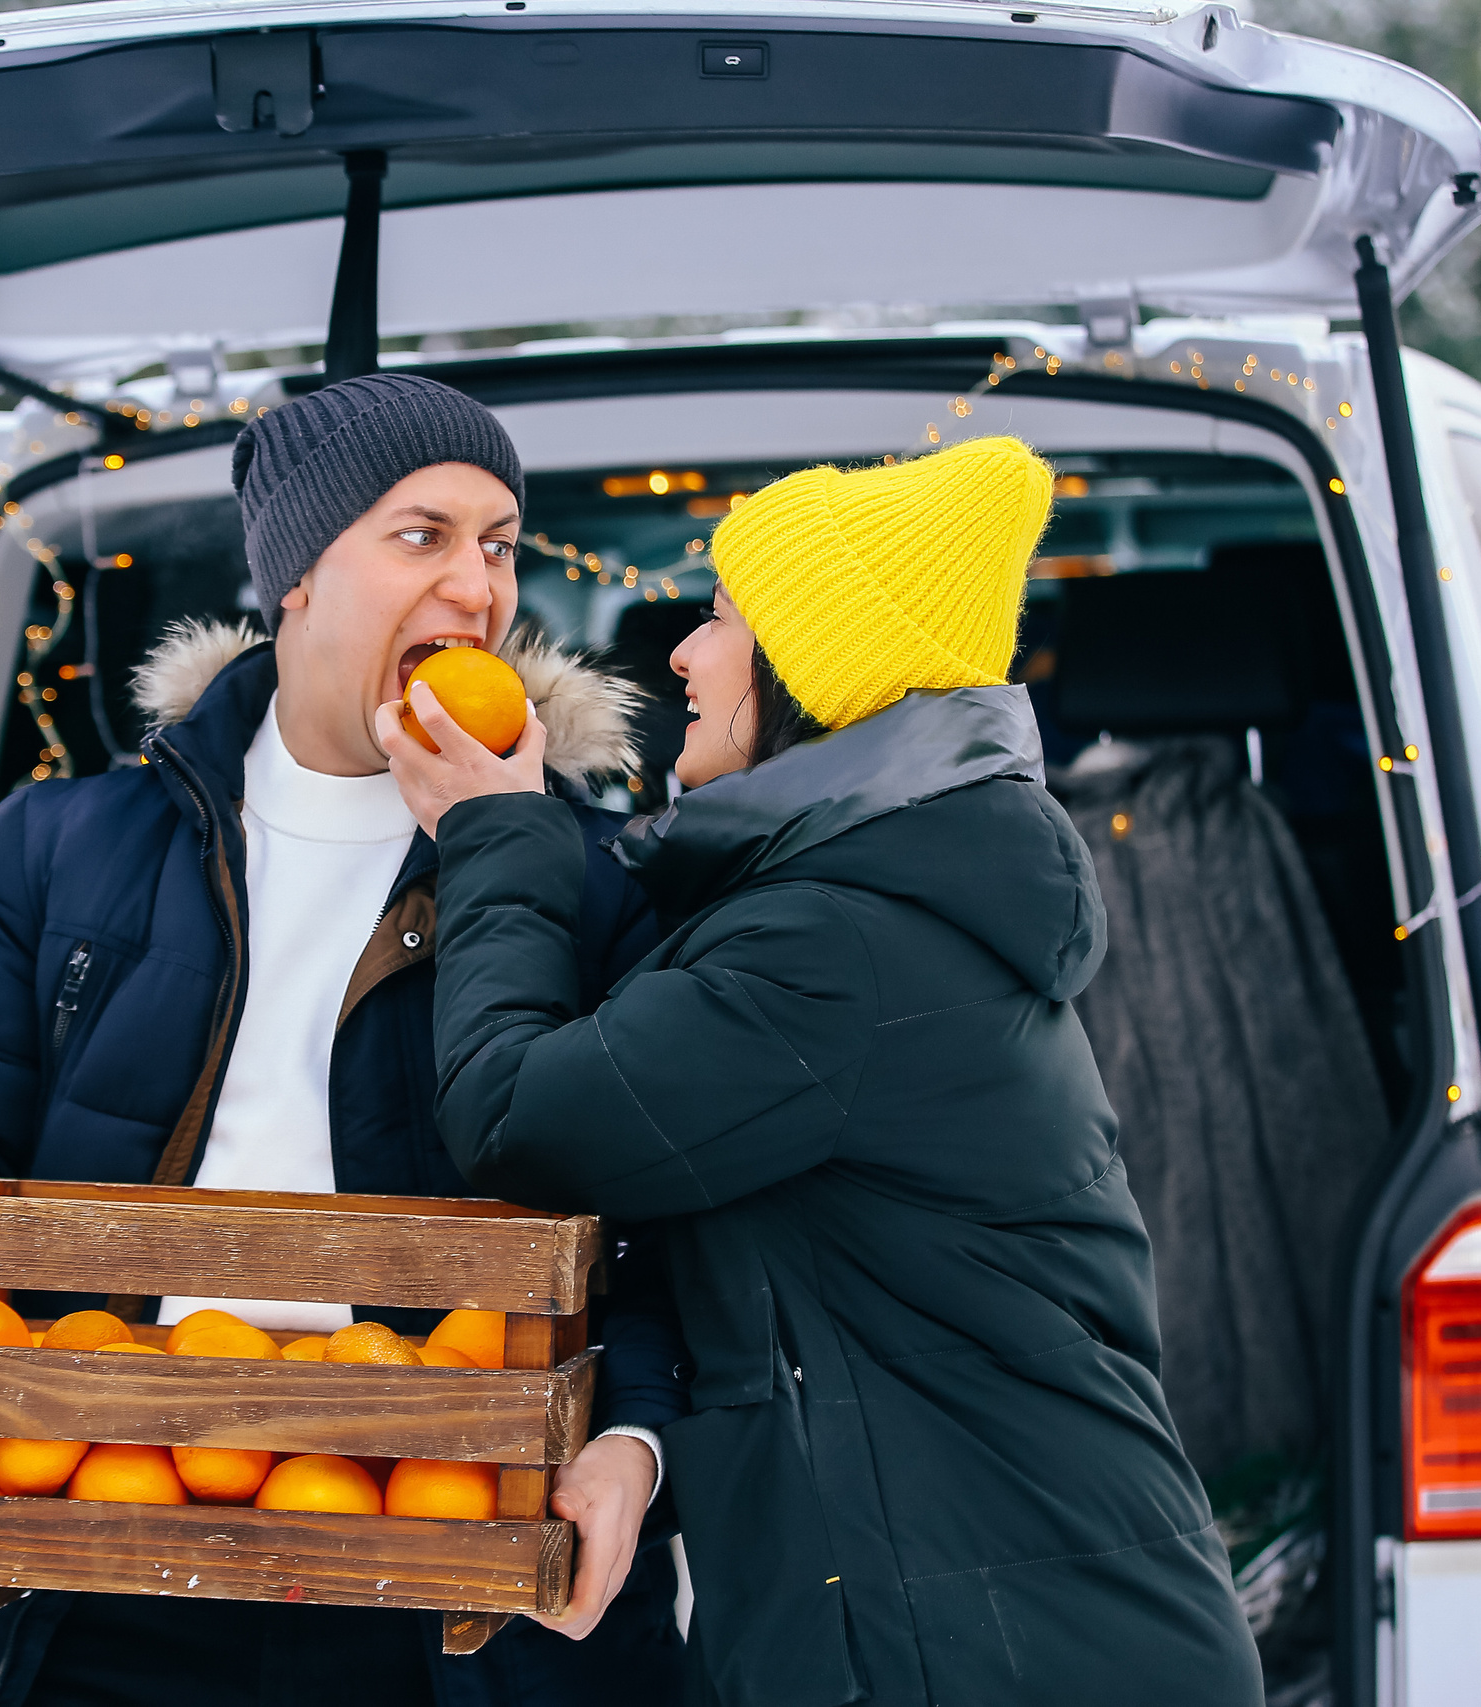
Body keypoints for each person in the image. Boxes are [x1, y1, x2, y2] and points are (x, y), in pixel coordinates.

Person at [0, 373, 689, 1707]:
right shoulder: (59, 850)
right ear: (300, 576)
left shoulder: (594, 882)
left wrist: (630, 1438)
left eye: (497, 544)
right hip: (89, 1560)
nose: (477, 586)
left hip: (458, 1586)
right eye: (422, 535)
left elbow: (668, 1213)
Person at [380, 436, 1266, 1706]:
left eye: (725, 622)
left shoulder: (832, 947)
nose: (680, 653)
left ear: (810, 672)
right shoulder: (866, 904)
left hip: (1018, 1653)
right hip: (986, 1627)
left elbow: (521, 1114)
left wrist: (495, 836)